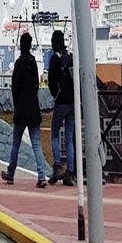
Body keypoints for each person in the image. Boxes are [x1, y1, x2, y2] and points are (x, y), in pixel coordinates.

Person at [1, 33, 50, 187]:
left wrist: (17, 104)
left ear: (21, 45)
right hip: (33, 107)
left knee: (16, 143)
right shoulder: (34, 62)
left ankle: (10, 174)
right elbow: (36, 84)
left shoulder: (19, 63)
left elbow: (15, 86)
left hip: (21, 108)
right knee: (36, 143)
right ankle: (42, 176)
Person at [46, 30, 76, 186]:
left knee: (55, 134)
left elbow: (51, 81)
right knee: (70, 138)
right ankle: (70, 173)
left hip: (61, 102)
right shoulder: (69, 57)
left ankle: (57, 167)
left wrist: (55, 96)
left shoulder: (54, 59)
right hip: (72, 102)